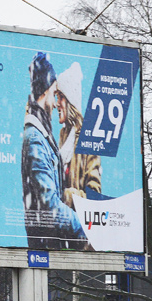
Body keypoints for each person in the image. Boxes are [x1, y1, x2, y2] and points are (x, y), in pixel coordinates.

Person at [21, 52, 90, 250]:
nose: (54, 102)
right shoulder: (35, 138)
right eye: (53, 94)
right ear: (45, 92)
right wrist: (82, 232)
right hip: (44, 244)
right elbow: (50, 203)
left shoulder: (44, 134)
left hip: (51, 243)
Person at [53, 61, 101, 208]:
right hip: (61, 225)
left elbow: (94, 197)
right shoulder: (63, 137)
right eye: (56, 97)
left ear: (70, 100)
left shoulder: (87, 138)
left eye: (60, 97)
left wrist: (63, 196)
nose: (56, 104)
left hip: (80, 228)